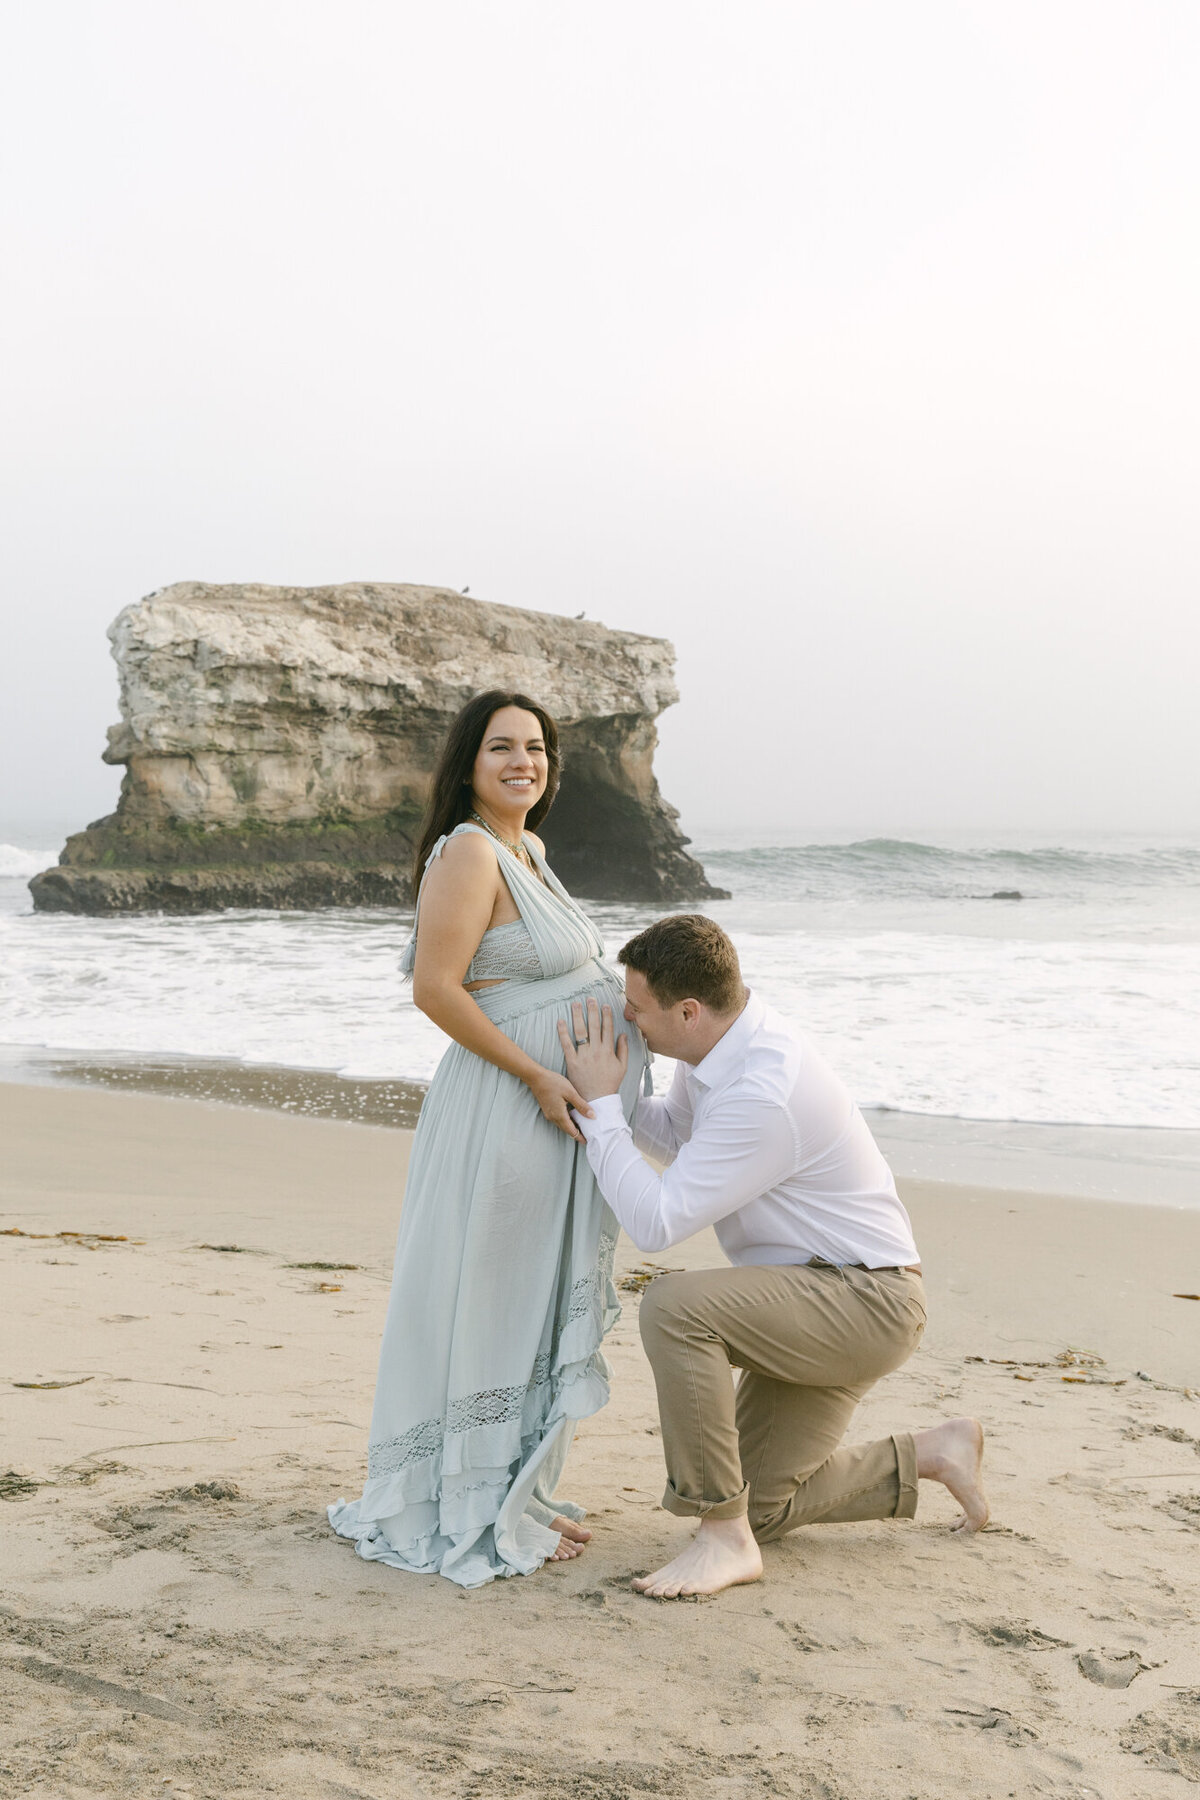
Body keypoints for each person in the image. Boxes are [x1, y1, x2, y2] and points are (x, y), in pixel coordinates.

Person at [558, 913, 988, 1600]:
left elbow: (659, 1221)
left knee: (673, 1308)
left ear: (690, 1011)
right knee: (761, 1504)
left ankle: (722, 1539)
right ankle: (930, 1454)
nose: (627, 1019)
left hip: (864, 1303)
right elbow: (681, 1137)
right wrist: (598, 1097)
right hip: (821, 1294)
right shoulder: (723, 1048)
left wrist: (605, 1109)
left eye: (636, 1010)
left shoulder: (762, 1089)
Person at [329, 690, 647, 1588]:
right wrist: (539, 1074)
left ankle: (516, 1490)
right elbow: (437, 989)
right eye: (502, 747)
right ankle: (465, 1498)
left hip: (553, 1111)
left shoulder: (527, 849)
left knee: (534, 1298)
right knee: (494, 1292)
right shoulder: (469, 854)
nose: (524, 762)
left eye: (537, 748)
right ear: (469, 762)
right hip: (509, 1108)